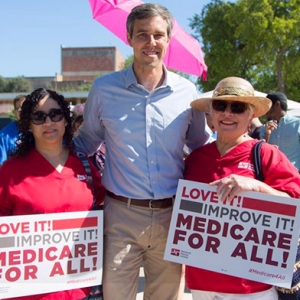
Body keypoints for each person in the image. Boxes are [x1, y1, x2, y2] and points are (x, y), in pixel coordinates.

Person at [74, 3, 211, 299]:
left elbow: (202, 146)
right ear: (129, 38)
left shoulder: (187, 93)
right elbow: (85, 144)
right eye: (143, 35)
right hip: (120, 216)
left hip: (174, 216)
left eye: (158, 35)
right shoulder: (103, 89)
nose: (151, 43)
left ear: (168, 40)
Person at [184, 77, 300, 300]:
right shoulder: (195, 158)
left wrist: (257, 187)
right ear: (211, 113)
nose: (228, 113)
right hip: (201, 284)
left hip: (252, 287)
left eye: (237, 107)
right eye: (221, 106)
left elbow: (295, 204)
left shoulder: (265, 154)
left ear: (251, 115)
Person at [0, 88, 105, 300]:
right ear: (28, 124)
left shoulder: (84, 166)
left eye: (55, 114)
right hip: (29, 292)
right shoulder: (9, 172)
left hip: (81, 291)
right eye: (39, 117)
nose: (48, 122)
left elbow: (104, 206)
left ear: (66, 120)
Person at [263, 92, 300, 171]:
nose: (265, 109)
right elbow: (261, 152)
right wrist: (267, 135)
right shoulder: (265, 128)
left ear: (277, 104)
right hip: (271, 175)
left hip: (295, 176)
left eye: (268, 106)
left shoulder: (298, 124)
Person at [0, 94, 26, 164]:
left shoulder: (41, 130)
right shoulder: (4, 135)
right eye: (20, 109)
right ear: (15, 112)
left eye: (26, 108)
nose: (23, 112)